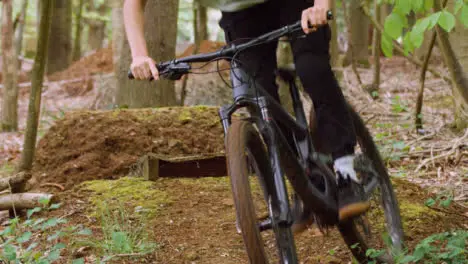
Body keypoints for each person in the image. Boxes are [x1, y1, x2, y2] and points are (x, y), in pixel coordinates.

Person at [124, 0, 370, 232]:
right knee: (259, 98)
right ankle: (304, 181)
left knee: (312, 69)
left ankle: (346, 172)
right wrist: (139, 55)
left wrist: (321, 5)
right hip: (242, 13)